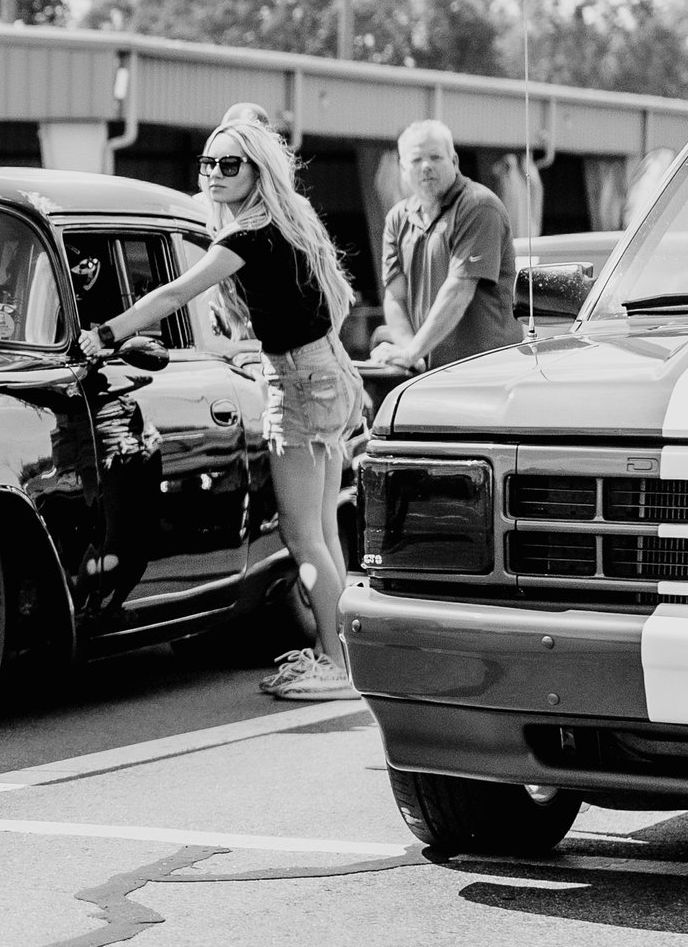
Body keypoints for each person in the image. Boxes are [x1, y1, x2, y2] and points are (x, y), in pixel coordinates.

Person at [78, 116, 366, 701]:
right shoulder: (289, 218)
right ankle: (342, 655)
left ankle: (333, 663)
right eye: (207, 163)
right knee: (324, 532)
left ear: (256, 171)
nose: (213, 174)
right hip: (328, 371)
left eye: (228, 165)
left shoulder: (248, 235)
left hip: (301, 383)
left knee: (301, 535)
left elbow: (173, 293)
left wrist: (106, 333)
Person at [375, 121, 517, 371]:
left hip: (487, 370)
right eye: (416, 160)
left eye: (435, 157)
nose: (426, 166)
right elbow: (395, 297)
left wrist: (412, 352)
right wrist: (413, 354)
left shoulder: (478, 206)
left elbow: (459, 291)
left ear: (454, 160)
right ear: (402, 168)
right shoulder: (398, 218)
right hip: (431, 374)